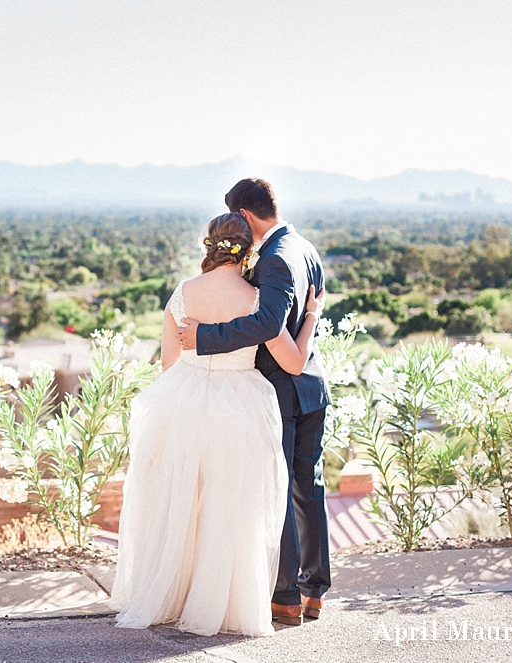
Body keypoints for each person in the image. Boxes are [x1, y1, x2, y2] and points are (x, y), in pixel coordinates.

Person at [110, 210, 325, 637]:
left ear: (209, 246)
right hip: (240, 407)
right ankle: (227, 601)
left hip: (184, 401)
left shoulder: (183, 294)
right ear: (248, 252)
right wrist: (313, 318)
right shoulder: (255, 301)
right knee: (231, 507)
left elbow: (170, 361)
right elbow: (295, 362)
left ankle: (174, 593)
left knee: (184, 500)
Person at [176, 178, 331, 626]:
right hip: (311, 385)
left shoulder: (277, 259)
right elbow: (308, 316)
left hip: (281, 390)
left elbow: (266, 322)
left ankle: (285, 596)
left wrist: (205, 336)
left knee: (281, 489)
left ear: (244, 215)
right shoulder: (305, 248)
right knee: (309, 488)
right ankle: (314, 591)